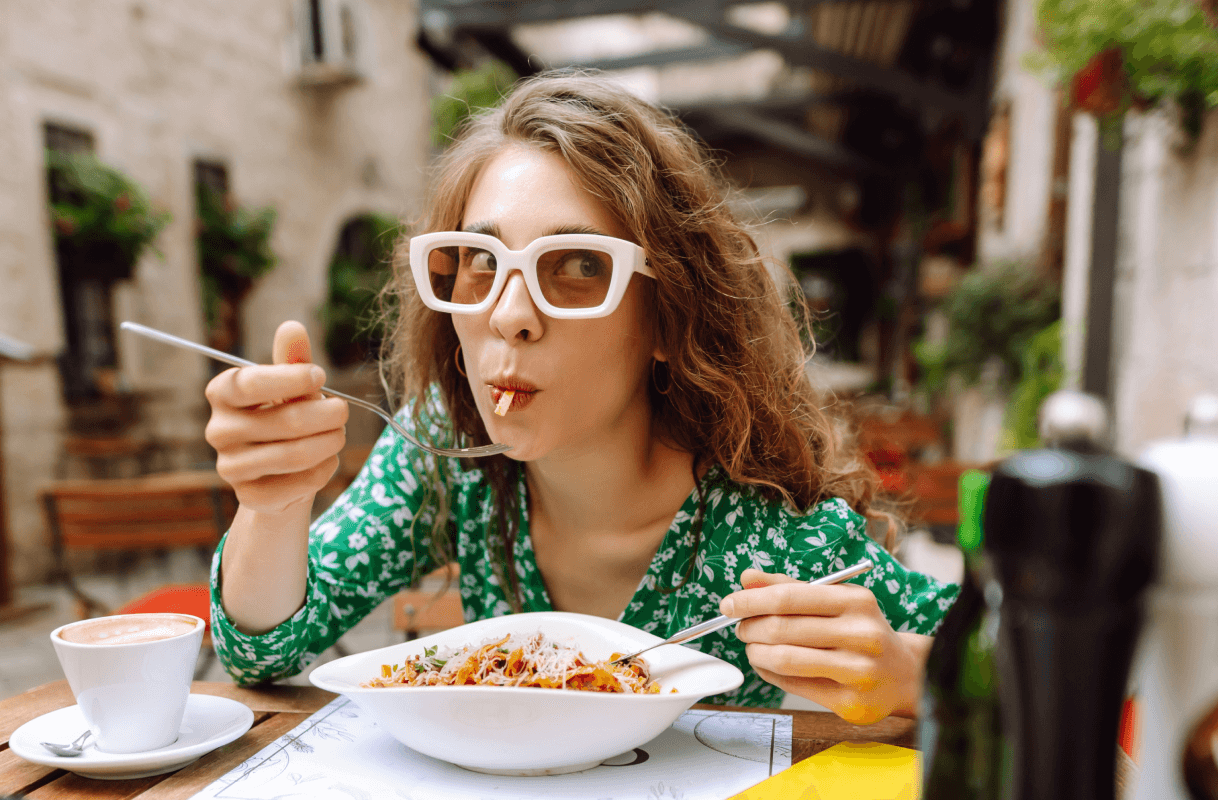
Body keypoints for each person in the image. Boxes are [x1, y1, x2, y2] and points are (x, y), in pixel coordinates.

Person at [203, 71, 956, 722]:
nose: (510, 313)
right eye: (478, 262)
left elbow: (1004, 663)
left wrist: (905, 672)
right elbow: (261, 650)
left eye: (577, 268)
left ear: (667, 317)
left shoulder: (759, 531)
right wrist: (272, 509)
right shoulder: (445, 452)